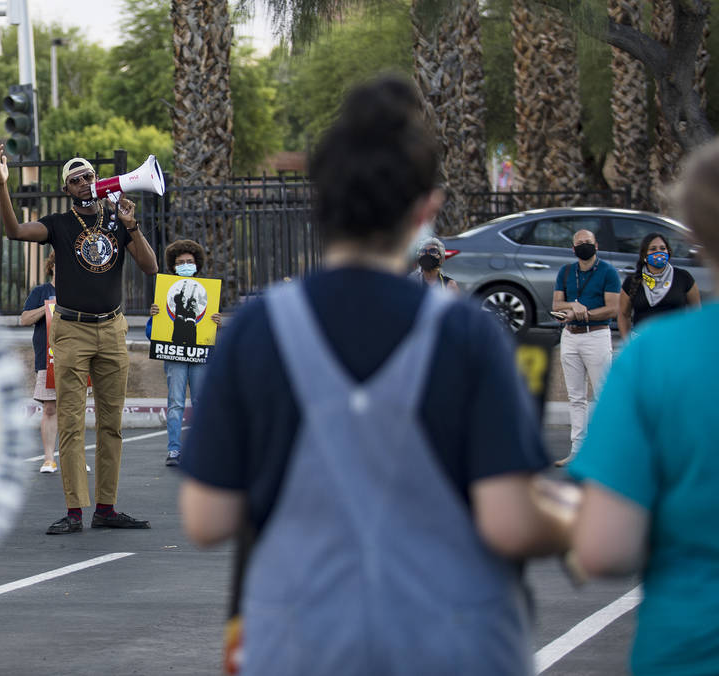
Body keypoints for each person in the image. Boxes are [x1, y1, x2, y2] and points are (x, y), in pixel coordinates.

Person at [179, 76, 571, 675]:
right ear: (426, 210)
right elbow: (510, 521)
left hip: (296, 645)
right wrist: (573, 518)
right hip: (451, 645)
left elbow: (206, 520)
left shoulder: (255, 332)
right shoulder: (468, 334)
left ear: (318, 201)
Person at [570, 138, 719, 676]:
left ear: (696, 238)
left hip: (686, 644)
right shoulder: (645, 329)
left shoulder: (652, 362)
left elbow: (604, 548)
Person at [0, 145, 159, 535]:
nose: (85, 183)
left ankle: (106, 507)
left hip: (113, 328)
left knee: (110, 423)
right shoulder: (58, 224)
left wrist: (131, 225)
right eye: (76, 180)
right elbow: (14, 231)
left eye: (88, 176)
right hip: (71, 330)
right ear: (66, 189)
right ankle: (73, 511)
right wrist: (3, 186)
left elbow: (150, 266)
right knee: (70, 422)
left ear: (97, 181)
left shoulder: (118, 219)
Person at [146, 239, 222, 467]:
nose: (186, 265)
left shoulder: (206, 292)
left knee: (201, 401)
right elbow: (153, 333)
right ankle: (174, 450)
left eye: (189, 261)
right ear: (173, 266)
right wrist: (155, 316)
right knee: (176, 402)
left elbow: (210, 330)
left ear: (197, 264)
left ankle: (203, 449)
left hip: (199, 353)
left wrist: (216, 323)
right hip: (175, 353)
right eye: (181, 262)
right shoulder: (166, 293)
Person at [551, 228, 621, 466]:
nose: (584, 246)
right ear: (573, 248)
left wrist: (584, 314)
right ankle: (577, 451)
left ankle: (608, 451)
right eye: (579, 243)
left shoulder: (608, 272)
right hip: (570, 336)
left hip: (597, 335)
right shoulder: (566, 271)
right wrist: (574, 307)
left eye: (588, 242)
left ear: (596, 246)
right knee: (575, 397)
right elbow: (556, 303)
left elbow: (613, 308)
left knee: (603, 394)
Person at [617, 232, 700, 338]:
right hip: (644, 342)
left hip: (675, 340)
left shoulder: (683, 277)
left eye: (662, 248)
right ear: (644, 255)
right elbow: (624, 315)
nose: (659, 252)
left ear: (668, 252)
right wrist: (628, 342)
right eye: (653, 249)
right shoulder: (633, 281)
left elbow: (696, 312)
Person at [21, 252, 58, 473]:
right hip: (47, 358)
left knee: (74, 409)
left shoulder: (80, 291)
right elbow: (24, 319)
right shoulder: (40, 291)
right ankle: (49, 459)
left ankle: (76, 458)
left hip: (76, 356)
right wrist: (48, 307)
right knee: (50, 408)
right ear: (51, 266)